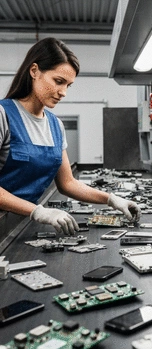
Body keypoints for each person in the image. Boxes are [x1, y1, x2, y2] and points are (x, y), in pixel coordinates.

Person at [0, 37, 141, 235]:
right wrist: (38, 211)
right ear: (34, 71)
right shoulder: (3, 115)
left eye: (68, 85)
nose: (63, 92)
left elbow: (68, 183)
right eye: (58, 81)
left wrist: (112, 199)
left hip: (19, 226)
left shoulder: (56, 125)